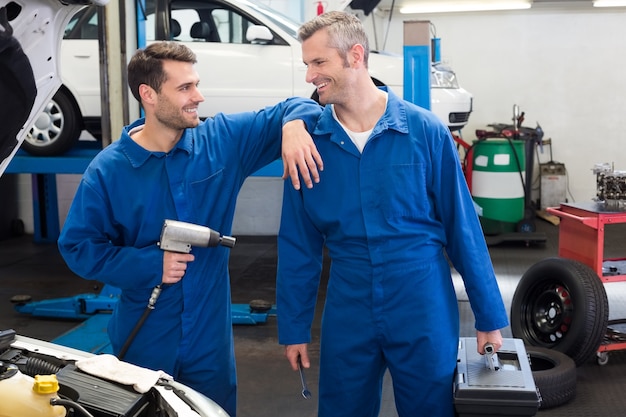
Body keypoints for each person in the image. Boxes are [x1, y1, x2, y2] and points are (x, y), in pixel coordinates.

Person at [58, 41, 322, 417]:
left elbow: (300, 105)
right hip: (145, 333)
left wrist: (293, 126)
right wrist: (152, 264)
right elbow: (78, 247)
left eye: (196, 84)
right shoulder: (108, 171)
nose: (198, 96)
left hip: (210, 340)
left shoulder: (222, 141)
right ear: (148, 95)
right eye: (184, 88)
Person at [276, 11, 509, 417]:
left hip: (422, 301)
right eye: (307, 65)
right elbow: (299, 245)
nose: (310, 76)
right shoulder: (310, 145)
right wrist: (293, 328)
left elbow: (462, 229)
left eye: (318, 63)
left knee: (430, 408)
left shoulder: (424, 131)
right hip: (349, 303)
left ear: (355, 55)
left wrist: (488, 316)